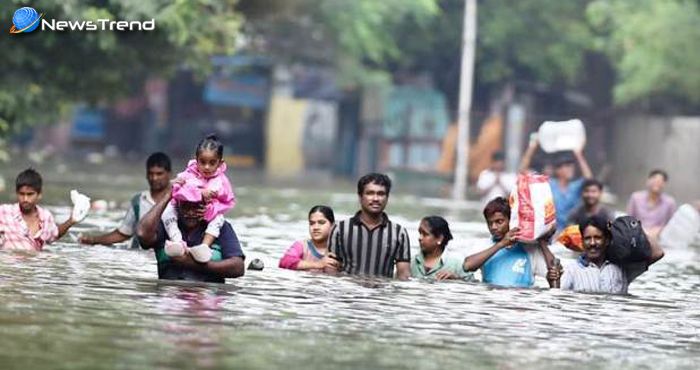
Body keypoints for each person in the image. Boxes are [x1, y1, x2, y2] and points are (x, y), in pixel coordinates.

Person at [136, 187, 245, 283]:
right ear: (177, 206)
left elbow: (238, 267)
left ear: (206, 206)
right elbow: (142, 234)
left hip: (207, 301)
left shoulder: (220, 227)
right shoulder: (166, 224)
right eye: (186, 207)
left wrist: (192, 263)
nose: (191, 212)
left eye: (196, 207)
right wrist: (167, 196)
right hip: (171, 299)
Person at [547, 215, 664, 294]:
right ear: (582, 242)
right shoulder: (572, 269)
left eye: (597, 238)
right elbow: (558, 297)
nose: (592, 243)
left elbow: (658, 253)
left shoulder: (622, 268)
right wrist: (553, 283)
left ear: (607, 240)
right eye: (588, 239)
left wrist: (635, 228)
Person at [163, 134, 236, 261]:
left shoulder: (221, 182)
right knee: (167, 213)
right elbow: (176, 190)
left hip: (209, 210)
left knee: (218, 220)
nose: (207, 167)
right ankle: (177, 242)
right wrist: (199, 192)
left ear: (220, 163)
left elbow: (225, 201)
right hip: (181, 208)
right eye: (203, 162)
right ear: (196, 160)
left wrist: (210, 209)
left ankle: (204, 247)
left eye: (212, 163)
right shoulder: (189, 173)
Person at [327, 173, 411, 280]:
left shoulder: (399, 233)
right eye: (370, 193)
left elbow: (403, 275)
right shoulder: (340, 229)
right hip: (348, 293)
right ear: (360, 196)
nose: (376, 198)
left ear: (387, 197)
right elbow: (331, 270)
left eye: (381, 194)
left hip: (382, 294)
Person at [80, 152, 172, 248]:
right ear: (146, 174)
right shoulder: (138, 201)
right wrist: (93, 240)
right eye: (151, 174)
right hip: (139, 256)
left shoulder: (178, 198)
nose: (154, 178)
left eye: (159, 174)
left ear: (169, 174)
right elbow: (123, 233)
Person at [462, 197, 556, 288]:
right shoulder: (484, 245)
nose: (493, 227)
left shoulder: (529, 248)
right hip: (491, 300)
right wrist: (501, 244)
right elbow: (467, 266)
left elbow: (555, 275)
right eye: (490, 223)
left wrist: (542, 242)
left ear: (512, 221)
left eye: (499, 221)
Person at [520, 136, 593, 230]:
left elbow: (590, 180)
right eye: (567, 166)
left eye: (571, 166)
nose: (570, 169)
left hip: (571, 233)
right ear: (558, 170)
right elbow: (523, 172)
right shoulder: (548, 184)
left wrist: (578, 155)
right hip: (550, 233)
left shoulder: (575, 187)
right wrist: (532, 147)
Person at [0, 169, 83, 251]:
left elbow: (54, 234)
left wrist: (71, 220)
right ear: (17, 193)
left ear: (39, 194)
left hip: (36, 263)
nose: (25, 199)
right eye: (22, 194)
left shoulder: (46, 217)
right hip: (10, 262)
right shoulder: (5, 212)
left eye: (30, 194)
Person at [411, 216, 473, 281]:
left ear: (439, 238)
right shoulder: (410, 261)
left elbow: (472, 285)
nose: (420, 238)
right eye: (420, 233)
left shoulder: (458, 264)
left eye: (425, 234)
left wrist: (456, 279)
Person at [279, 205, 339, 272]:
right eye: (312, 223)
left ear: (333, 225)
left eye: (321, 222)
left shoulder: (341, 248)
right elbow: (284, 262)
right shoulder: (302, 246)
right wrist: (318, 264)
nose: (315, 227)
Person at [627, 169, 676, 239]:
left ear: (664, 184)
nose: (657, 183)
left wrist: (660, 230)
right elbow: (628, 220)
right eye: (654, 180)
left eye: (660, 181)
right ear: (648, 181)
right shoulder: (635, 197)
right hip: (636, 236)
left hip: (658, 238)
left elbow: (672, 225)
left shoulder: (670, 203)